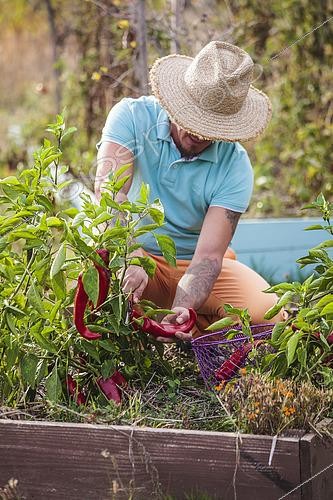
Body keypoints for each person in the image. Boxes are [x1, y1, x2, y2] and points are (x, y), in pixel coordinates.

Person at [95, 40, 281, 342]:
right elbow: (108, 196)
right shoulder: (130, 117)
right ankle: (167, 320)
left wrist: (183, 308)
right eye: (190, 118)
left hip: (192, 265)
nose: (194, 134)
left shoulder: (235, 165)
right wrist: (128, 254)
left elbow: (208, 257)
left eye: (208, 129)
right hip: (138, 258)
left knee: (267, 314)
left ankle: (186, 322)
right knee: (94, 291)